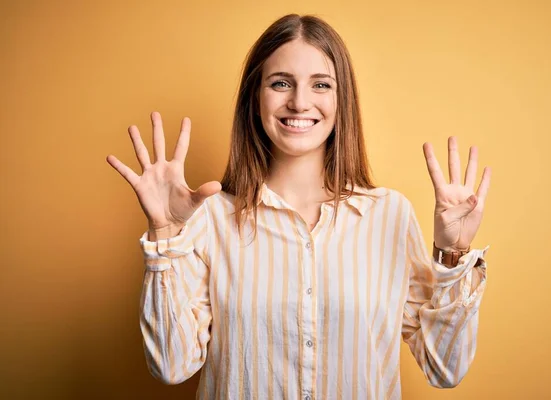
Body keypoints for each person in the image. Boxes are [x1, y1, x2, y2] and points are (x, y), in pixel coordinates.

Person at [106, 13, 491, 400]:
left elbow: (445, 368)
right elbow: (171, 365)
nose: (300, 102)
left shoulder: (390, 215)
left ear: (343, 102)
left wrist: (452, 256)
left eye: (321, 84)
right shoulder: (211, 217)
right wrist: (163, 231)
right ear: (255, 99)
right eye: (280, 83)